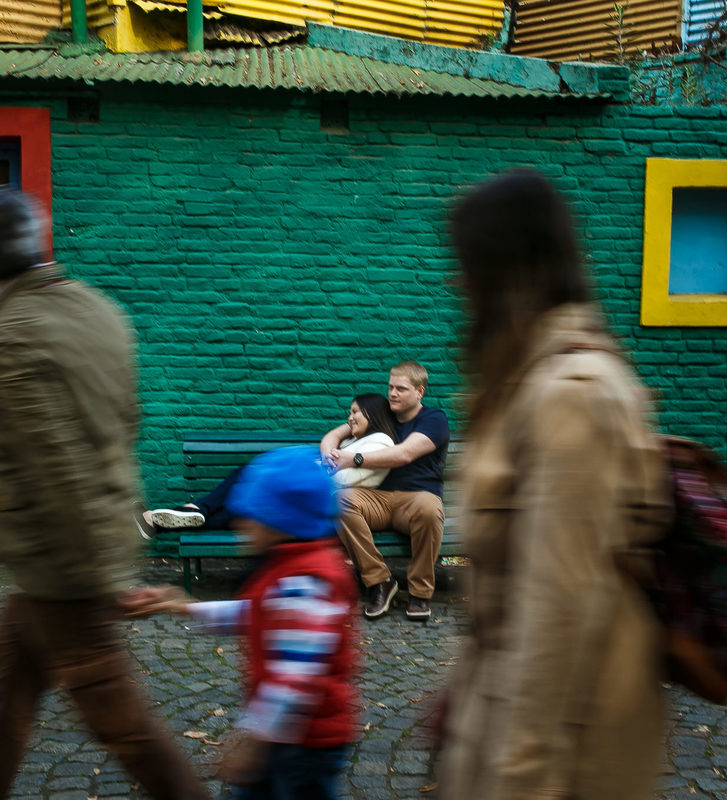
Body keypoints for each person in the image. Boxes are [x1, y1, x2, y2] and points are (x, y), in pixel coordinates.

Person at [0, 188, 210, 800]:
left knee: (125, 727)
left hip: (65, 563)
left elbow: (54, 464)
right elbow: (124, 424)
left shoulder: (12, 332)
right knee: (4, 699)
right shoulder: (97, 309)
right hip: (75, 547)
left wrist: (101, 574)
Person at [434, 170, 671, 799]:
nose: (457, 283)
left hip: (565, 741)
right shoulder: (526, 383)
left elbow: (559, 613)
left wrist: (521, 775)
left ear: (505, 268)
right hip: (508, 705)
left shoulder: (573, 396)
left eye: (467, 265)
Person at [129, 446, 360, 800]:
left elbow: (291, 680)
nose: (239, 522)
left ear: (280, 521)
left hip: (304, 744)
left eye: (250, 514)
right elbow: (258, 614)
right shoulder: (290, 568)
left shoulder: (307, 582)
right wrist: (185, 607)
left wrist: (253, 743)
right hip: (285, 736)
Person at [145, 393, 396, 532]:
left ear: (372, 414)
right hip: (309, 495)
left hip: (317, 504)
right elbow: (332, 447)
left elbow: (343, 480)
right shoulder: (355, 441)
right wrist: (345, 436)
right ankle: (170, 517)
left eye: (354, 412)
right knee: (240, 506)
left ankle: (185, 511)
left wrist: (314, 469)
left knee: (247, 484)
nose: (349, 417)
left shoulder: (381, 442)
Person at [320, 361, 449, 621]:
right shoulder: (382, 414)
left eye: (400, 389)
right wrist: (330, 457)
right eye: (390, 387)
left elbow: (405, 454)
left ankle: (420, 594)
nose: (392, 394)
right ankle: (379, 582)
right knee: (341, 501)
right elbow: (334, 434)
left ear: (420, 392)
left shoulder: (434, 419)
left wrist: (353, 458)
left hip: (416, 498)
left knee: (429, 510)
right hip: (377, 499)